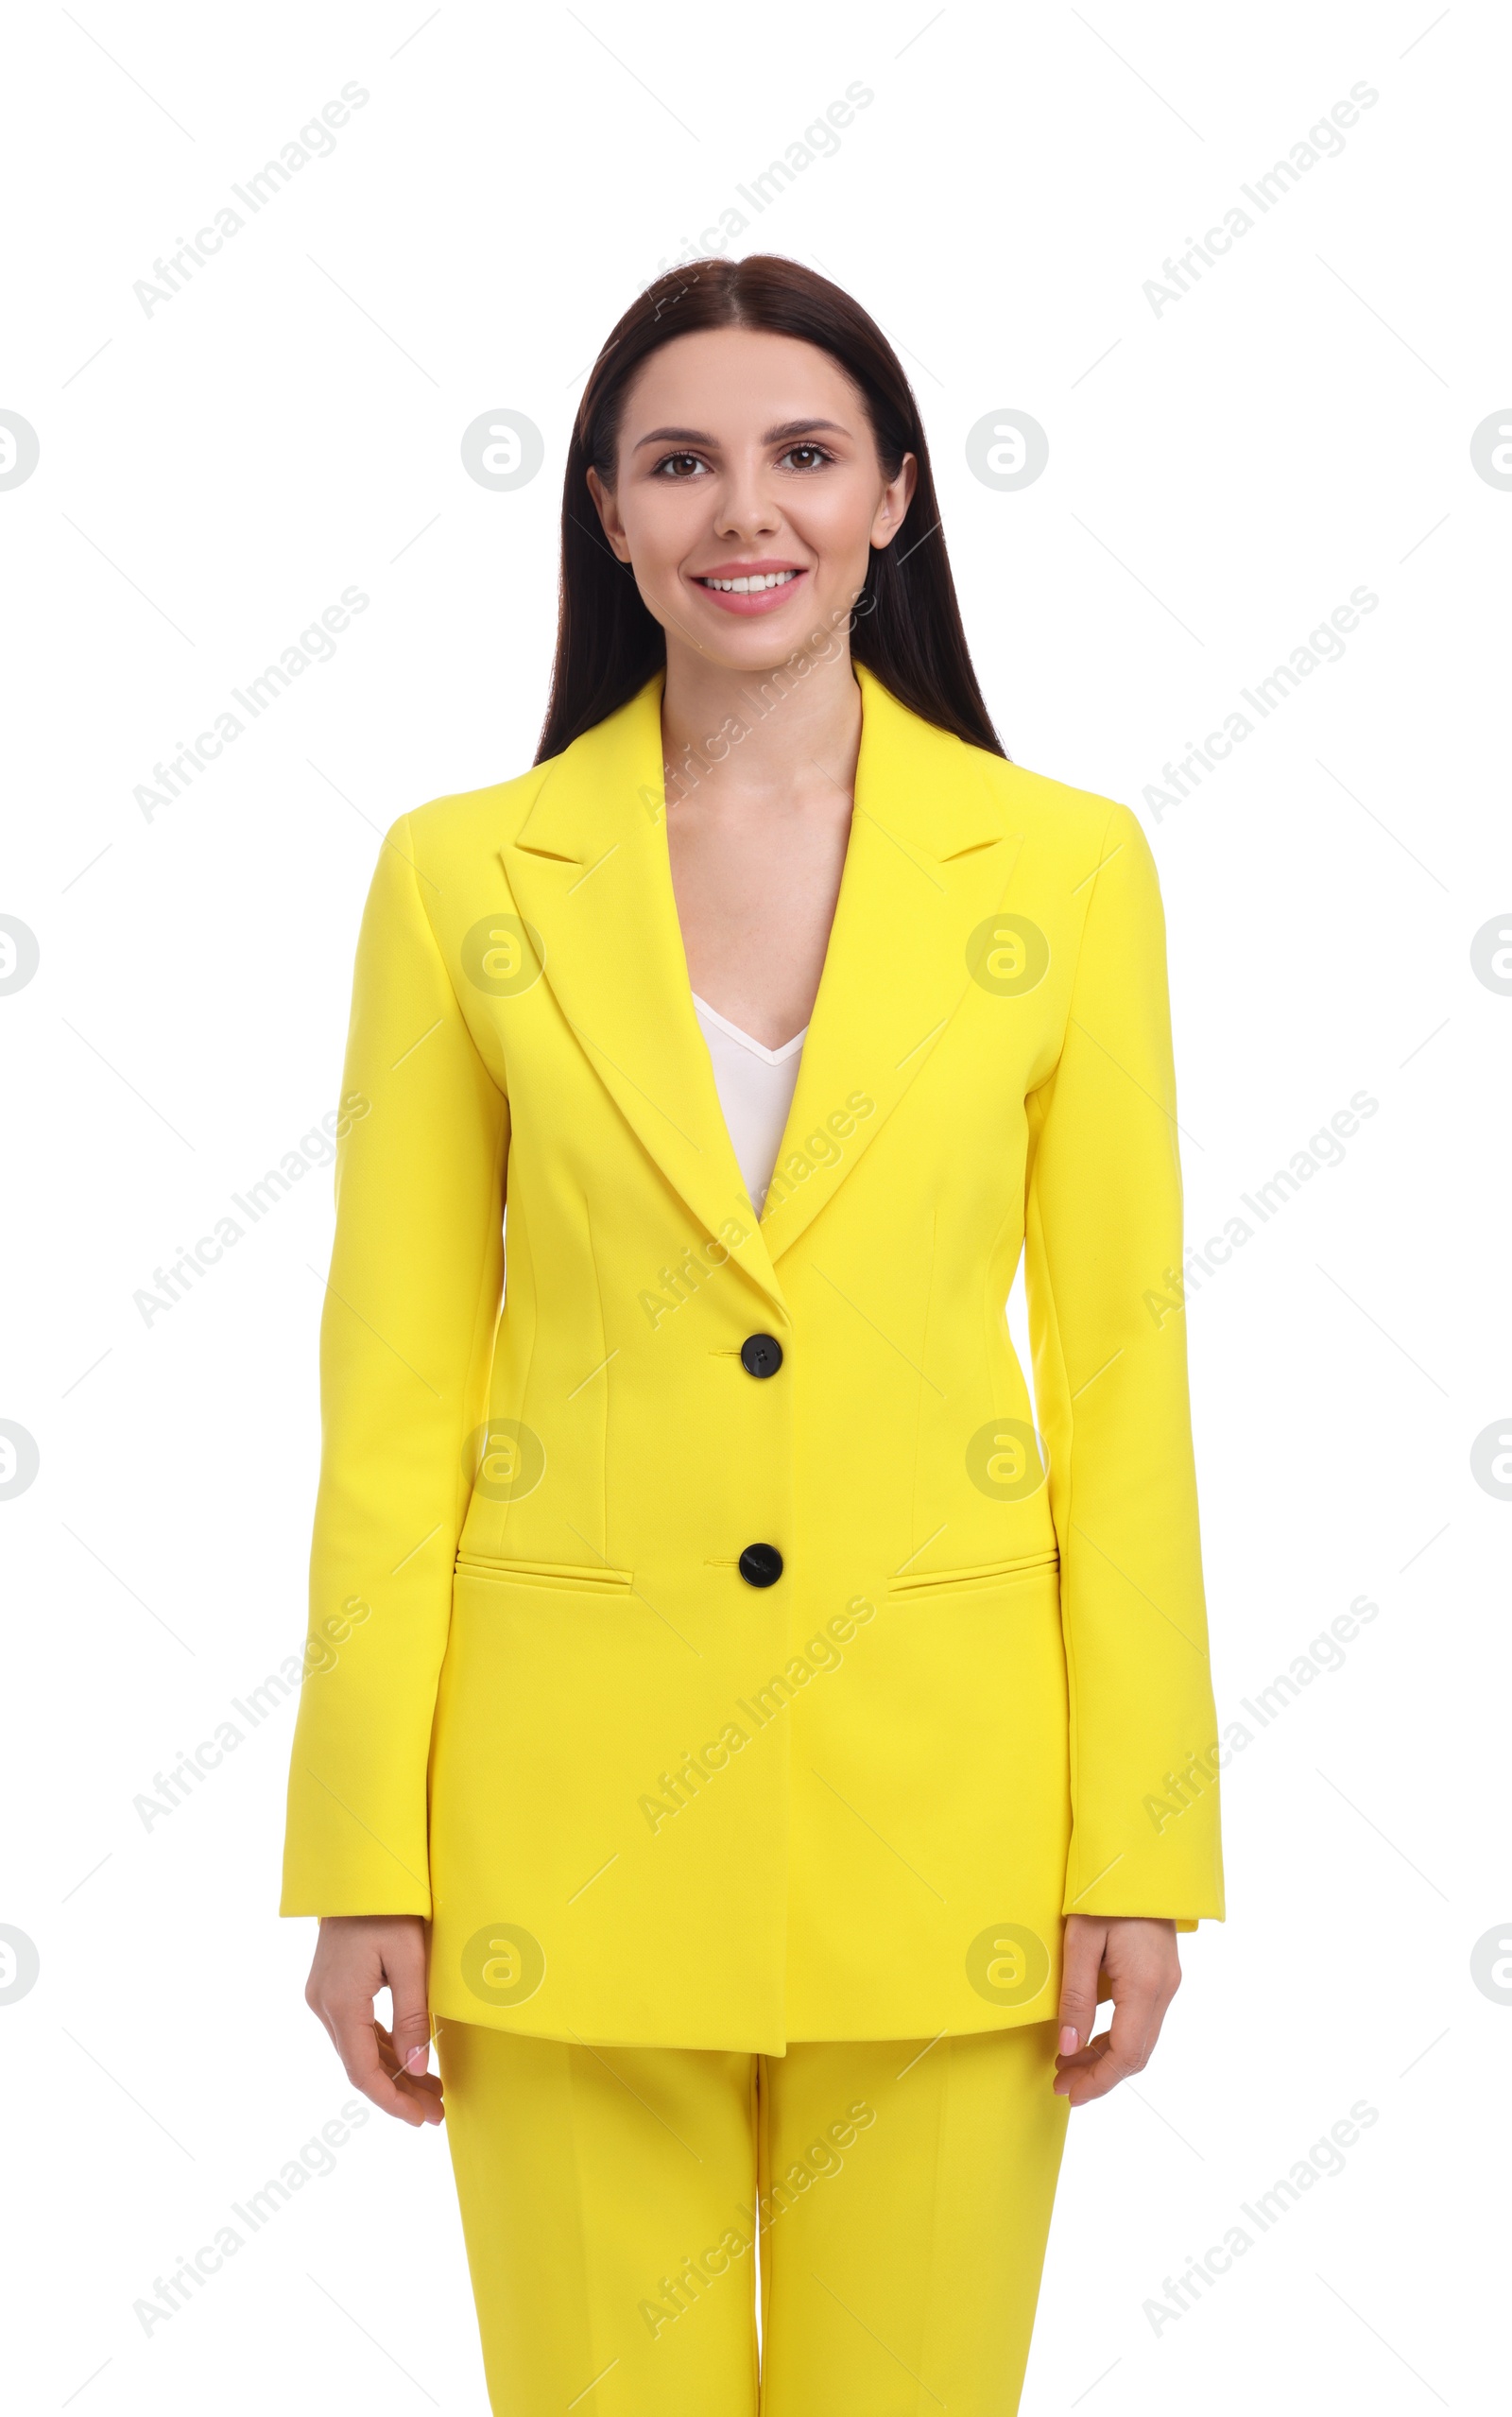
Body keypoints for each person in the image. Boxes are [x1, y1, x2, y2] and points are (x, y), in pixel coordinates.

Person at [282, 252, 1224, 2415]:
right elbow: (393, 1400)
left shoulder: (1067, 871)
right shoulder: (460, 878)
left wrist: (1140, 1845)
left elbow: (1122, 1384)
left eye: (801, 454)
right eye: (679, 462)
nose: (744, 512)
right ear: (605, 515)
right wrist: (362, 1864)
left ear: (893, 493)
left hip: (954, 1824)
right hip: (555, 1842)